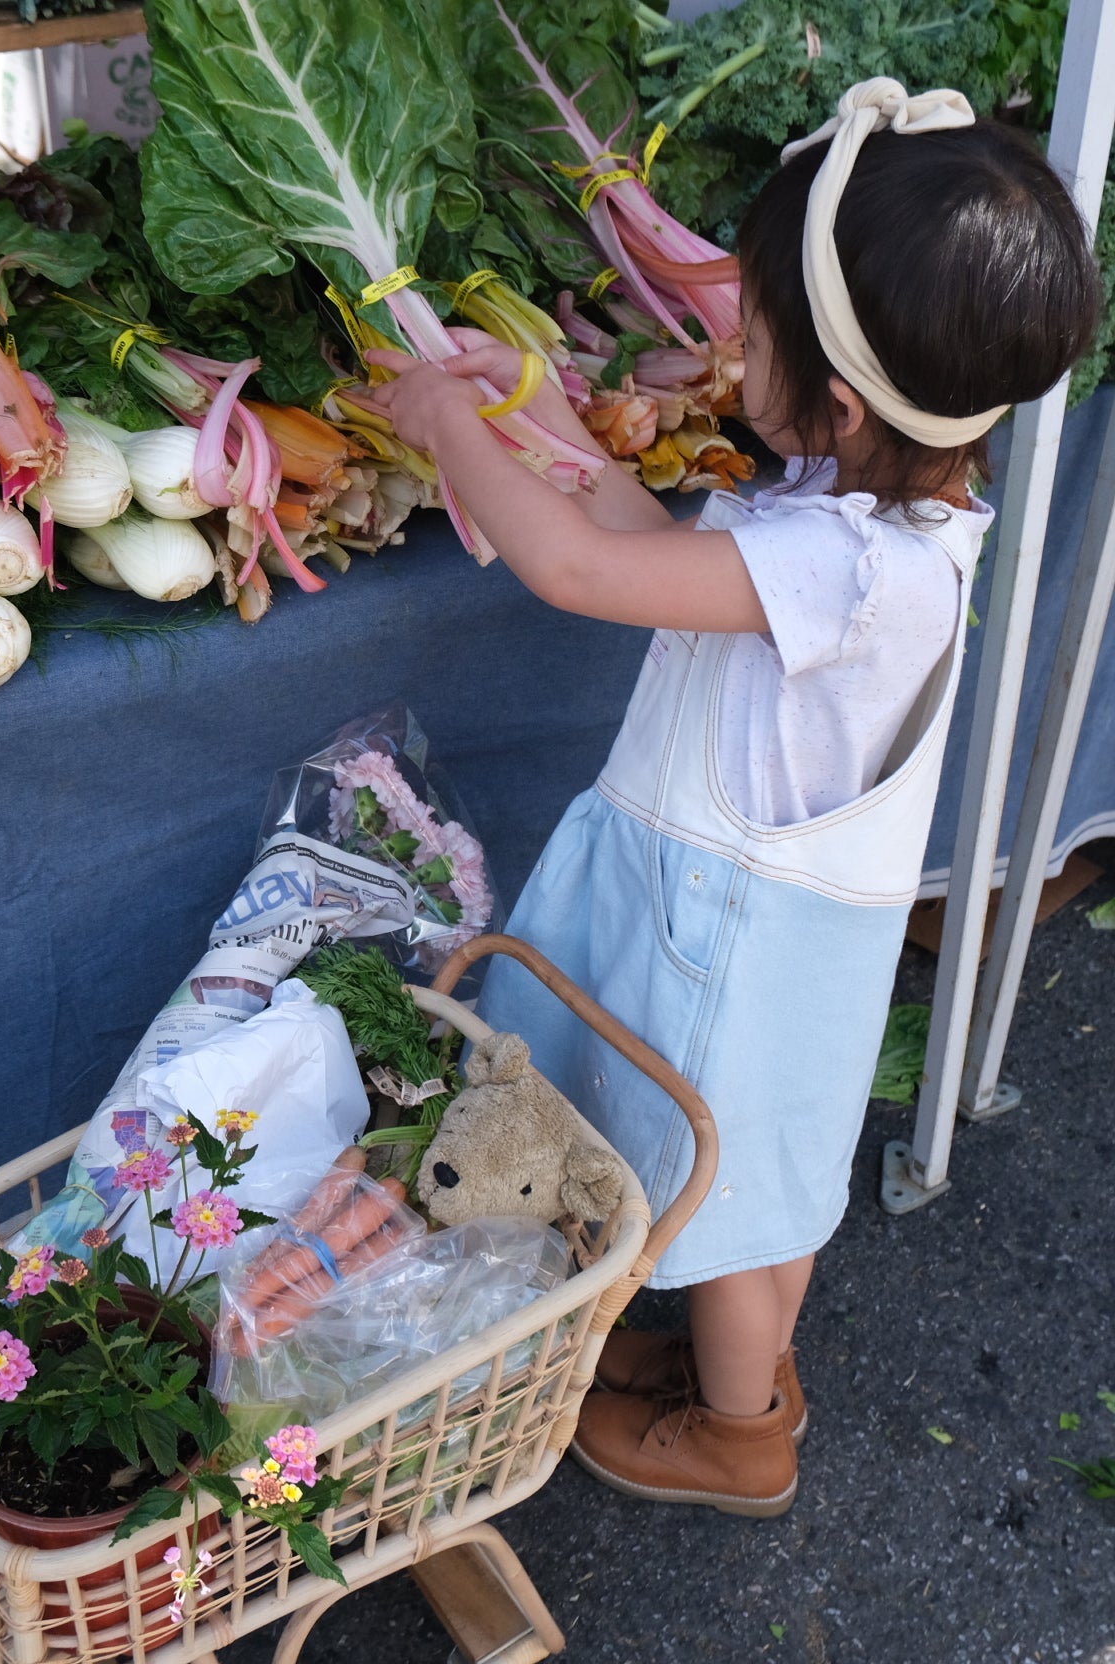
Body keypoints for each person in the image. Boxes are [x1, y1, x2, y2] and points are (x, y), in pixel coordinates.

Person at [365, 80, 1102, 1517]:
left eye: (748, 334)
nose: (724, 348)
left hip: (726, 944)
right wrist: (542, 427)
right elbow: (651, 541)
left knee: (724, 1203)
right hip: (767, 936)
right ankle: (733, 1372)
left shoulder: (846, 564)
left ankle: (741, 1432)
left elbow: (586, 574)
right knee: (764, 1184)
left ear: (835, 395)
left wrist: (452, 424)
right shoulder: (883, 509)